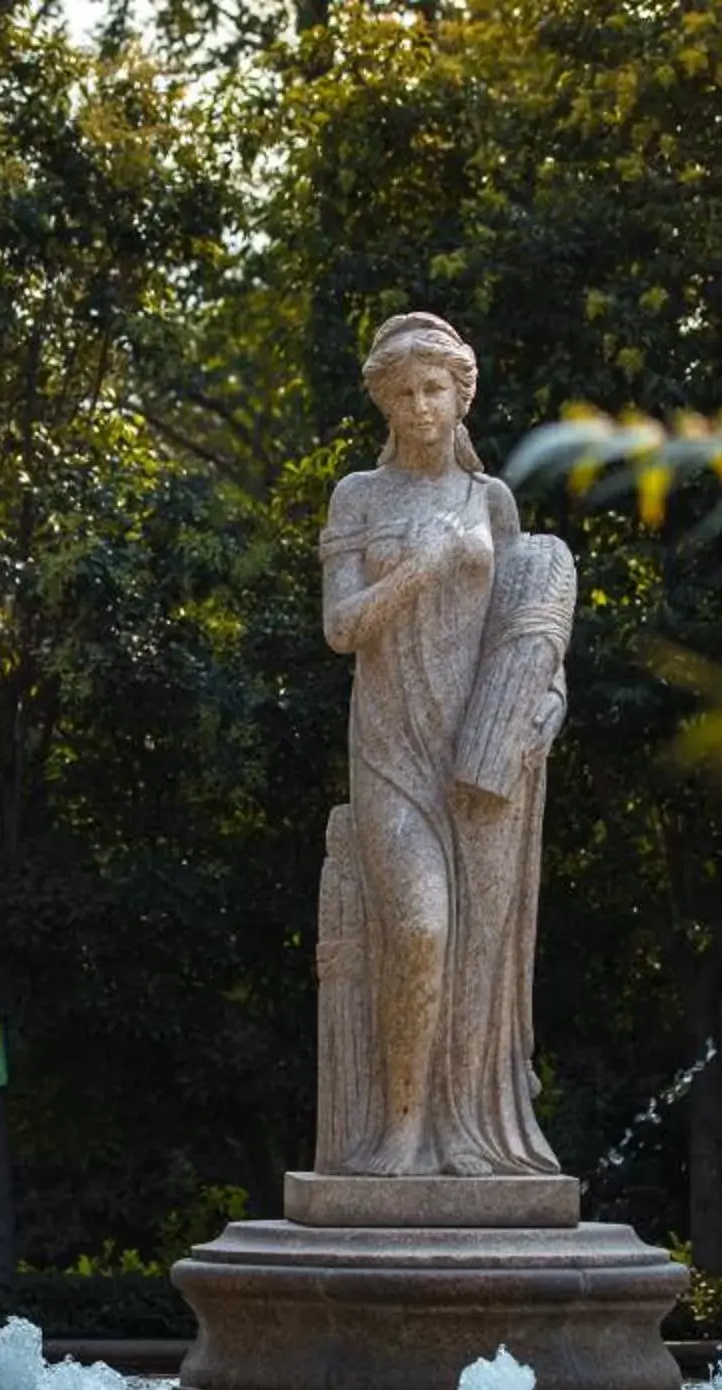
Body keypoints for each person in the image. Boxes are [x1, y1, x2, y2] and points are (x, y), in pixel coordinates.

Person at [314, 313, 574, 1179]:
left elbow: (525, 631)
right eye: (405, 394)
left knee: (475, 948)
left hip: (479, 756)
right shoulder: (360, 497)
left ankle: (463, 1133)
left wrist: (550, 704)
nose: (422, 407)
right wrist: (420, 567)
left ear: (461, 395)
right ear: (385, 404)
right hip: (390, 744)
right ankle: (398, 1131)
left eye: (437, 390)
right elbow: (342, 628)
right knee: (422, 928)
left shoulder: (490, 502)